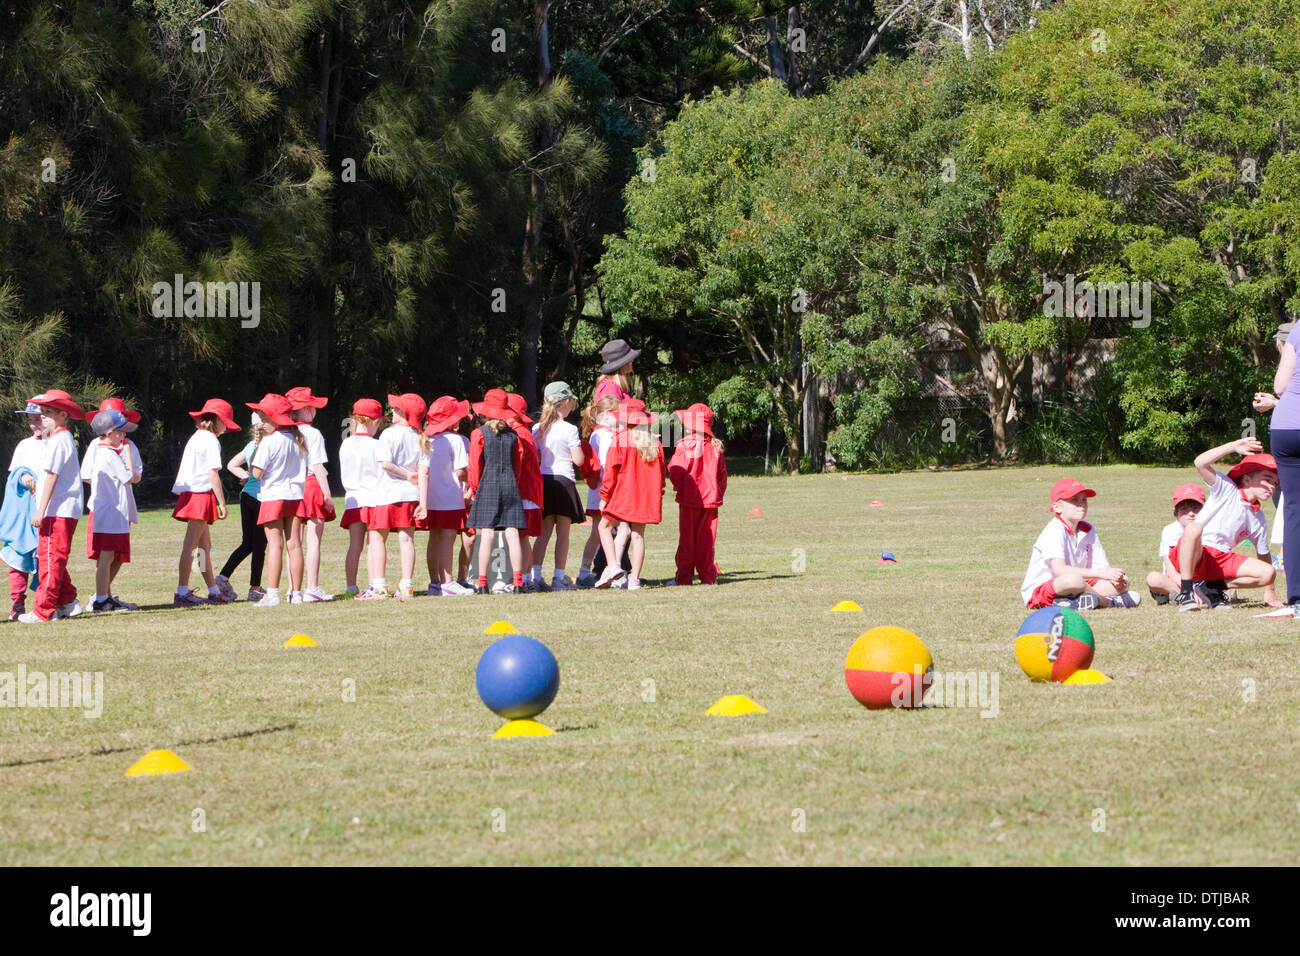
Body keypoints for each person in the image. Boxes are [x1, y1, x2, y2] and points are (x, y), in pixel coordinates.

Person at [1169, 439, 1280, 611]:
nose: (1272, 486)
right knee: (1194, 528)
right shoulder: (1226, 488)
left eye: (1275, 483)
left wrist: (1270, 591)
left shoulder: (1259, 518)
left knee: (1269, 573)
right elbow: (1200, 463)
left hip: (1220, 560)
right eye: (1267, 479)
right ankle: (1186, 592)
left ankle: (1212, 588)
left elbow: (1263, 555)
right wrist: (1233, 447)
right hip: (1195, 551)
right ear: (1247, 479)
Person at [1019, 478, 1140, 610]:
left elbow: (1103, 568)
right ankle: (1108, 602)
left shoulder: (1088, 529)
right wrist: (1100, 573)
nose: (1081, 504)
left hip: (1079, 585)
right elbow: (1060, 571)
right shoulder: (1054, 529)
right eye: (1074, 500)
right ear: (1057, 507)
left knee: (1124, 582)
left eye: (1084, 500)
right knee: (1074, 580)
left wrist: (1115, 575)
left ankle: (1075, 601)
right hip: (1045, 590)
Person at [18, 389, 86, 623]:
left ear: (64, 415)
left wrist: (40, 510)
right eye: (43, 412)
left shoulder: (59, 440)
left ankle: (44, 610)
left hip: (57, 509)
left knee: (49, 559)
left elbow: (51, 477)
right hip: (62, 508)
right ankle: (68, 602)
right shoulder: (58, 439)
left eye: (48, 412)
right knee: (54, 557)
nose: (43, 417)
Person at [170, 397, 239, 607]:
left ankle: (213, 590)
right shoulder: (210, 440)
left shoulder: (197, 437)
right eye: (225, 421)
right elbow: (212, 474)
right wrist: (222, 502)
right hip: (200, 494)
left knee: (203, 547)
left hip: (193, 493)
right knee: (192, 546)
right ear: (217, 420)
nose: (226, 427)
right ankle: (182, 591)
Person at [597, 400, 665, 590]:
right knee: (638, 536)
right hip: (645, 497)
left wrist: (604, 496)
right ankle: (634, 579)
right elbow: (661, 474)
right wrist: (658, 493)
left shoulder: (619, 440)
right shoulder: (655, 442)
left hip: (623, 495)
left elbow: (610, 472)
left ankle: (613, 566)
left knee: (604, 527)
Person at [248, 393, 307, 607]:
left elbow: (257, 473)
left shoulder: (269, 442)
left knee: (275, 545)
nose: (261, 424)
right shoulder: (299, 439)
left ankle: (272, 594)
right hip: (296, 496)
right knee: (295, 545)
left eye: (264, 419)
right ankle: (297, 593)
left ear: (275, 419)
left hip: (273, 496)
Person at [466, 389, 528, 594]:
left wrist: (475, 489)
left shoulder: (478, 434)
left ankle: (483, 583)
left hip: (487, 484)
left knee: (487, 534)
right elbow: (518, 462)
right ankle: (518, 581)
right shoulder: (514, 434)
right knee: (512, 532)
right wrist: (514, 482)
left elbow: (474, 465)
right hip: (510, 482)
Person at [415, 395, 474, 596]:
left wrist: (423, 501)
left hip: (432, 499)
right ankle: (448, 583)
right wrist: (474, 480)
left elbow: (423, 471)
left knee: (435, 538)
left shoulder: (428, 440)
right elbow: (460, 471)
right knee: (448, 539)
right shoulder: (456, 440)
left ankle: (434, 582)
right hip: (450, 499)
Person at [530, 382, 586, 591]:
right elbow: (578, 460)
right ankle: (559, 577)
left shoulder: (537, 428)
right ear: (566, 402)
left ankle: (536, 576)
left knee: (543, 534)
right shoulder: (569, 429)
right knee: (563, 533)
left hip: (543, 481)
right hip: (563, 481)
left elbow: (535, 457)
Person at [369, 392, 425, 600]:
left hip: (388, 492)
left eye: (396, 408)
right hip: (410, 494)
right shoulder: (420, 436)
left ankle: (379, 585)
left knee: (377, 537)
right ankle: (406, 585)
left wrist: (406, 474)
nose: (392, 410)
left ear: (403, 413)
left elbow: (385, 464)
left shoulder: (389, 434)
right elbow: (423, 470)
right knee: (406, 539)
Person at [84, 408, 140, 612]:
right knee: (107, 557)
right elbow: (127, 478)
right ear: (109, 434)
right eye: (121, 432)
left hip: (111, 512)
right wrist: (127, 455)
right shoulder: (108, 453)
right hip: (110, 513)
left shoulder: (103, 451)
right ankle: (100, 600)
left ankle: (104, 597)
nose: (124, 436)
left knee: (111, 556)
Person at [1261, 318, 1300, 606]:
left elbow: (1281, 385)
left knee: (1294, 513)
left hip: (1285, 426)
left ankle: (1297, 597)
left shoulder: (1297, 329)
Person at [668, 403, 727, 586]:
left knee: (687, 539)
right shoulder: (716, 447)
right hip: (710, 500)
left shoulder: (686, 444)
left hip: (690, 499)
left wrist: (681, 487)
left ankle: (684, 578)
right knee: (706, 540)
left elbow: (675, 471)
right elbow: (722, 476)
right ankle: (708, 577)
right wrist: (717, 493)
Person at [286, 386, 337, 602]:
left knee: (293, 541)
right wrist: (327, 494)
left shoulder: (285, 432)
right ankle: (312, 587)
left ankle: (292, 588)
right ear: (306, 410)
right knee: (313, 541)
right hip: (312, 484)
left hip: (292, 488)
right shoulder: (313, 433)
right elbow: (317, 466)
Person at [218, 411, 268, 602]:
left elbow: (231, 465)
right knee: (259, 546)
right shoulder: (268, 445)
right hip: (261, 498)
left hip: (246, 496)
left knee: (247, 543)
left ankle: (222, 576)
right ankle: (255, 588)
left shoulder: (250, 445)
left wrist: (246, 477)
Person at [4, 402, 45, 619]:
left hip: (46, 508)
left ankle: (44, 600)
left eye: (37, 419)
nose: (33, 424)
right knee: (19, 557)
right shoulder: (24, 446)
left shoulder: (55, 444)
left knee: (44, 558)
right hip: (24, 513)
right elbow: (13, 475)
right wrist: (22, 477)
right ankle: (17, 603)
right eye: (30, 420)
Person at [339, 398, 383, 598]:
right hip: (373, 498)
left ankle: (351, 586)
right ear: (373, 422)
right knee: (373, 544)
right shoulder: (375, 445)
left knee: (354, 545)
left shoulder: (345, 444)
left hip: (353, 499)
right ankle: (375, 583)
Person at [576, 395, 620, 587]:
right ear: (605, 415)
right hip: (605, 490)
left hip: (599, 490)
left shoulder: (597, 433)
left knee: (599, 532)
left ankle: (587, 571)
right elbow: (606, 462)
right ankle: (595, 571)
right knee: (604, 532)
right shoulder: (605, 435)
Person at [504, 391, 544, 591]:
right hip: (529, 491)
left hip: (524, 492)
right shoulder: (523, 431)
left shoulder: (519, 433)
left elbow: (517, 464)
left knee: (521, 536)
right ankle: (525, 577)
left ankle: (525, 578)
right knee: (522, 537)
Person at [1145, 483, 1205, 606]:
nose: (1191, 513)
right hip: (1175, 581)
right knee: (1153, 578)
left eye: (1195, 508)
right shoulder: (1169, 531)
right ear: (1175, 512)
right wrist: (1188, 589)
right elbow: (1170, 569)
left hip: (1201, 580)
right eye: (1184, 509)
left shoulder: (1208, 528)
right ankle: (1186, 594)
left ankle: (1182, 596)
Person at [594, 338, 640, 403]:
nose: (632, 361)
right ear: (623, 364)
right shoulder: (610, 387)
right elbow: (611, 412)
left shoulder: (614, 385)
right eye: (629, 359)